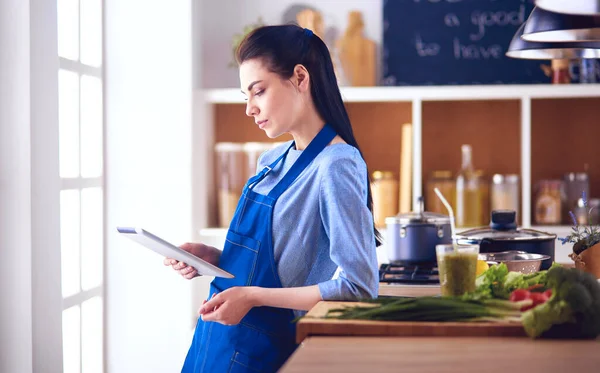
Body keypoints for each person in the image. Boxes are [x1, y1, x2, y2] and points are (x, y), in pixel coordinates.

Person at [164, 24, 381, 373]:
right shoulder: (272, 160)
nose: (249, 108)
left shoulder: (336, 165)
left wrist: (252, 296)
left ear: (299, 77)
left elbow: (358, 286)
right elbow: (279, 265)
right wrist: (214, 259)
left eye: (258, 91)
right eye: (244, 97)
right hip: (214, 345)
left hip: (265, 356)